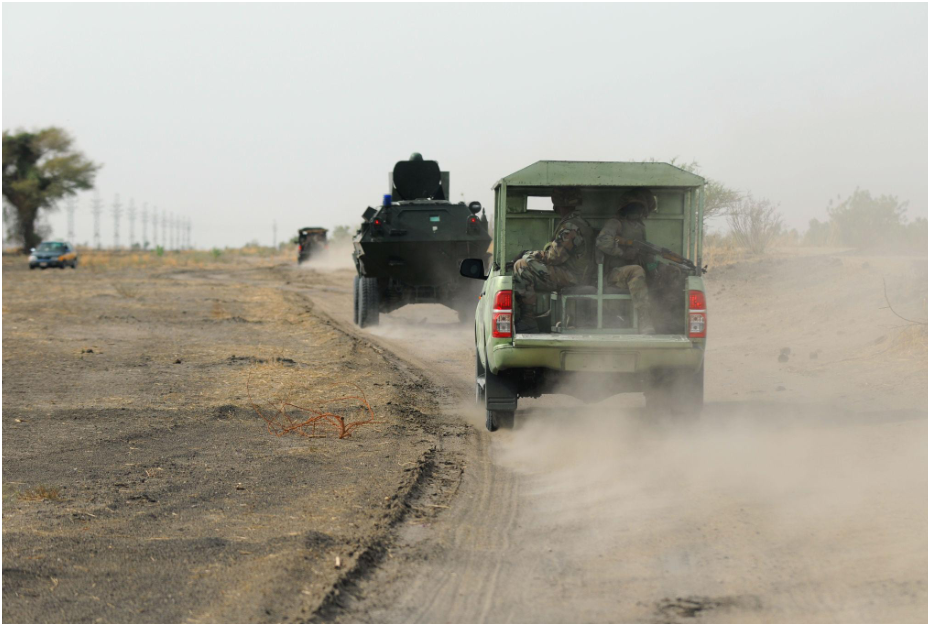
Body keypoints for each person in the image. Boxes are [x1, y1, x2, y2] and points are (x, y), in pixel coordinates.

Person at [512, 188, 594, 333]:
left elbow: (554, 257)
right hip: (579, 274)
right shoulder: (581, 223)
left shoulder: (571, 226)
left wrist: (529, 254)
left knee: (522, 265)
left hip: (573, 277)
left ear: (559, 205)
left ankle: (528, 320)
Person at [595, 189, 657, 334]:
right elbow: (602, 241)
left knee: (663, 272)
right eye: (632, 206)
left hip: (632, 274)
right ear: (624, 208)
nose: (636, 210)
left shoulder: (640, 227)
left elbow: (646, 253)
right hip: (614, 274)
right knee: (637, 270)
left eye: (639, 207)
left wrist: (654, 268)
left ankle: (665, 320)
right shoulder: (615, 223)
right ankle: (644, 319)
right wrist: (622, 253)